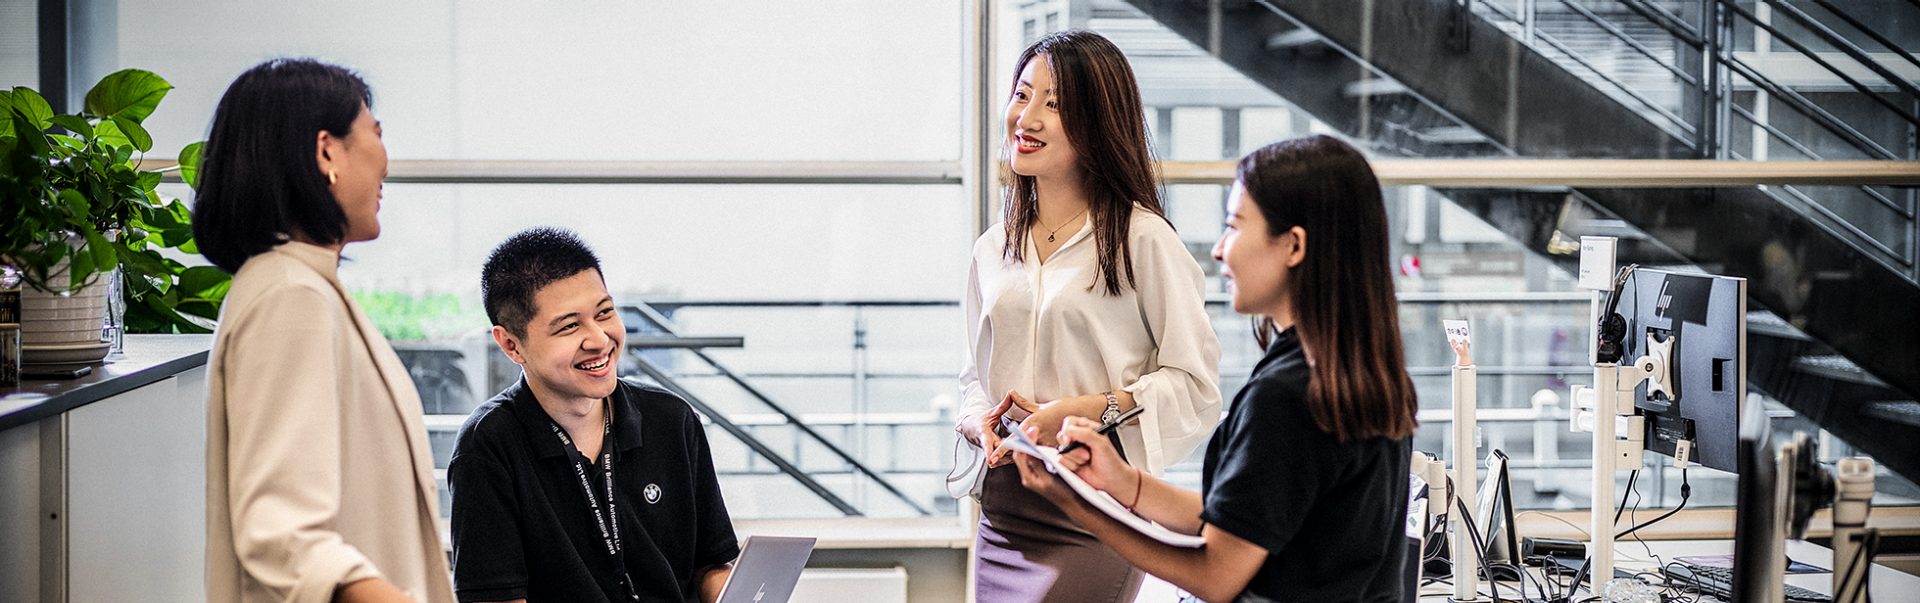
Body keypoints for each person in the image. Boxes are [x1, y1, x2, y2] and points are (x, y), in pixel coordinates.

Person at [1014, 135, 1420, 603]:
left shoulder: (1286, 396)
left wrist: (1076, 505)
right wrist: (1124, 483)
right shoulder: (1365, 377)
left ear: (1293, 246)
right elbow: (1245, 521)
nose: (1220, 250)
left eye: (1234, 227)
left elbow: (1215, 572)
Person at [954, 29, 1223, 602]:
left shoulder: (1143, 240)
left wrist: (1088, 411)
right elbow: (975, 376)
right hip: (1004, 507)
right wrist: (976, 420)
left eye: (1053, 104)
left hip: (1096, 504)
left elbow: (1195, 387)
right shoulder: (992, 247)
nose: (1027, 117)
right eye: (1022, 95)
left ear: (1098, 123)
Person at [195, 58, 454, 603]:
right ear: (327, 151)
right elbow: (284, 535)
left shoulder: (300, 285)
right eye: (375, 134)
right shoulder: (290, 296)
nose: (386, 162)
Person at [448, 228, 739, 603]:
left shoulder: (671, 419)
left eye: (604, 313)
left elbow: (711, 565)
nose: (600, 340)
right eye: (569, 326)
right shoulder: (488, 445)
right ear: (511, 345)